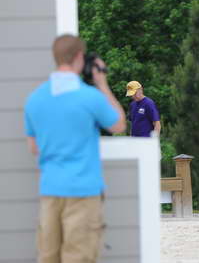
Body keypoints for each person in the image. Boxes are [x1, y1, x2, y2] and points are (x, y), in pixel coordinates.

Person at [24, 34, 126, 262]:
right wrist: (102, 84)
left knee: (48, 257)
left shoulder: (35, 99)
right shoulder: (89, 97)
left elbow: (34, 148)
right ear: (79, 56)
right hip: (83, 191)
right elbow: (118, 124)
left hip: (50, 190)